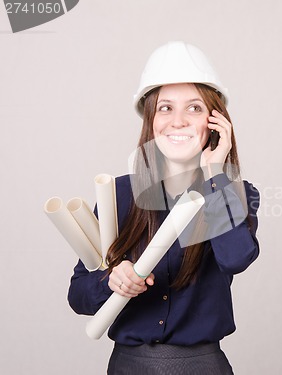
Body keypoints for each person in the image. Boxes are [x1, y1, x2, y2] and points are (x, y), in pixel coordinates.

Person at [67, 41, 260, 374]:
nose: (179, 121)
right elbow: (78, 295)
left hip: (202, 365)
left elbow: (236, 257)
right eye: (166, 108)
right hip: (129, 365)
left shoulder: (235, 193)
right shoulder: (119, 193)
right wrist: (110, 282)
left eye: (195, 108)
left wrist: (215, 172)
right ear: (151, 118)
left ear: (215, 121)